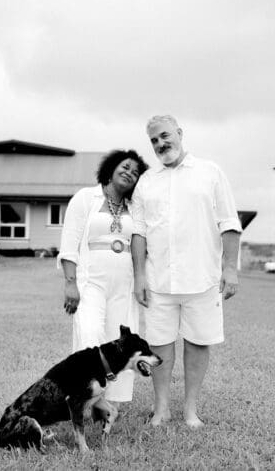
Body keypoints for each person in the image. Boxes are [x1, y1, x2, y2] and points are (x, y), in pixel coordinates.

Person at [131, 115, 242, 428]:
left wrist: (230, 268)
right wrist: (139, 275)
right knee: (159, 344)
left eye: (165, 136)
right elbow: (138, 232)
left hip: (202, 279)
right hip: (158, 282)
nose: (160, 144)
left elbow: (229, 222)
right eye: (153, 140)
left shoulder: (210, 172)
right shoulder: (147, 181)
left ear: (179, 133)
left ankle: (190, 410)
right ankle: (161, 409)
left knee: (197, 341)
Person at [58, 149, 148, 404]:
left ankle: (108, 404)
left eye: (136, 172)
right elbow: (69, 243)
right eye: (126, 166)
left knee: (119, 344)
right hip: (91, 283)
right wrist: (70, 283)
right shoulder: (86, 198)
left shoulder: (135, 209)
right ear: (111, 167)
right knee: (89, 334)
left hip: (123, 285)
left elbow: (141, 245)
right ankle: (83, 397)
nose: (130, 173)